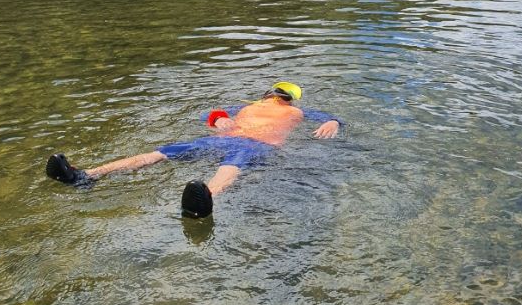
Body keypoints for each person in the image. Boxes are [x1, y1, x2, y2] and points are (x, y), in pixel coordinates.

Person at [45, 81, 342, 218]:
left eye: (283, 96)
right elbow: (208, 115)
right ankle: (85, 175)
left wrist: (333, 122)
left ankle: (202, 202)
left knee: (232, 166)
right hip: (224, 139)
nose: (278, 99)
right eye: (276, 94)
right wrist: (220, 118)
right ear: (267, 94)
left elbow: (327, 117)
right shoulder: (247, 106)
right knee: (164, 151)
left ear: (289, 100)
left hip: (259, 145)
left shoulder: (300, 113)